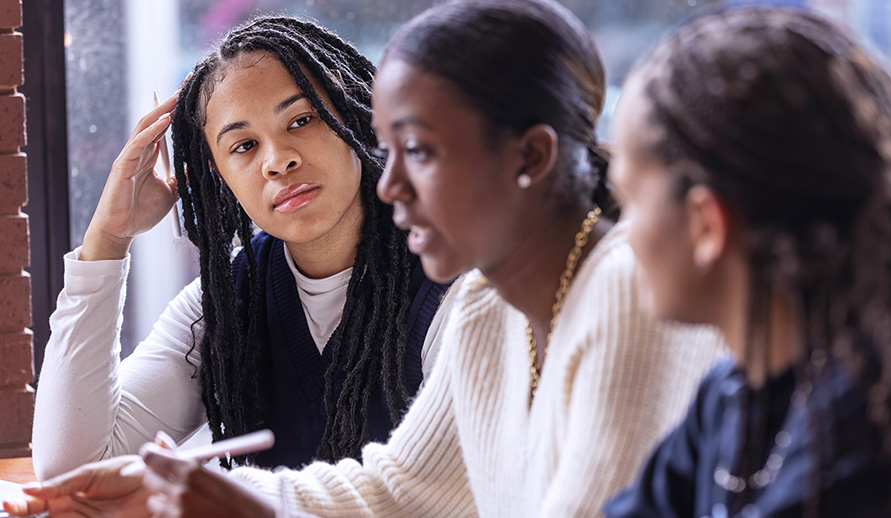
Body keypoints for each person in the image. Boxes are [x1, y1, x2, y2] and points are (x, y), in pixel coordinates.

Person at [4, 1, 722, 517]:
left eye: (419, 152)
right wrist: (207, 496)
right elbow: (400, 491)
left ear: (529, 156)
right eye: (242, 145)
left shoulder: (626, 291)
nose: (391, 181)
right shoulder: (485, 300)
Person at [31, 14, 453, 483]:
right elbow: (70, 467)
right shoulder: (227, 302)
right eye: (244, 145)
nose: (278, 160)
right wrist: (107, 241)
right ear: (219, 177)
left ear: (353, 117)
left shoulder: (453, 285)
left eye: (301, 119)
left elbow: (436, 491)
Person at [604, 7, 891, 517]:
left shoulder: (869, 433)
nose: (623, 234)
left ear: (707, 224)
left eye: (627, 200)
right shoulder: (728, 398)